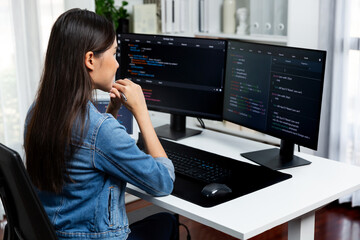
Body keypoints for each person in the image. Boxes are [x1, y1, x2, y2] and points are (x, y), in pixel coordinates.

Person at [24, 8, 177, 240]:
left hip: (56, 233)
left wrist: (111, 112)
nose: (117, 64)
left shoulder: (37, 111)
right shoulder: (99, 130)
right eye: (114, 54)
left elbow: (87, 153)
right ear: (90, 60)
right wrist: (142, 113)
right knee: (167, 221)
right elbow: (163, 182)